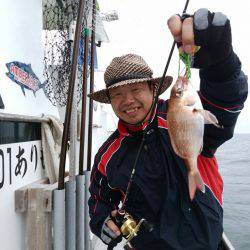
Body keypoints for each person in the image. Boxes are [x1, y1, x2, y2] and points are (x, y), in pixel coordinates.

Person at [87, 8, 248, 250]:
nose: (127, 100)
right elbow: (99, 200)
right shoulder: (107, 155)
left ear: (154, 90)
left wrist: (221, 65)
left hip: (207, 244)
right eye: (118, 94)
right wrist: (102, 223)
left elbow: (224, 111)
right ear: (110, 101)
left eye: (136, 89)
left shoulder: (177, 113)